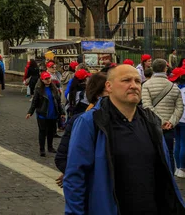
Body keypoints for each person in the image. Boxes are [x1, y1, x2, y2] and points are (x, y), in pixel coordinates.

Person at [63, 64, 185, 214]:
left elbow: (165, 172)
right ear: (109, 86)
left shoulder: (151, 121)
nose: (133, 85)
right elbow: (75, 176)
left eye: (137, 81)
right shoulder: (91, 122)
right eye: (126, 80)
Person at [55, 72, 109, 185]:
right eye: (109, 90)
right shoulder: (81, 120)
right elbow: (62, 158)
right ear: (98, 94)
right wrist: (75, 173)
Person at [141, 58, 184, 171]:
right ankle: (170, 179)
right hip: (169, 127)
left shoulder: (146, 85)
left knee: (152, 153)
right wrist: (171, 122)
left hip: (152, 126)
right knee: (169, 153)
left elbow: (146, 106)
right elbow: (179, 107)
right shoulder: (173, 87)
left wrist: (159, 121)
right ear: (166, 69)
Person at [26, 71, 65, 156]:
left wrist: (62, 112)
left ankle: (50, 147)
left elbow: (58, 102)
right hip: (42, 114)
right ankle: (42, 149)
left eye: (49, 78)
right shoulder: (39, 89)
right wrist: (30, 112)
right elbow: (35, 102)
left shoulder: (54, 88)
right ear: (42, 80)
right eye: (46, 79)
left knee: (51, 132)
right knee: (42, 132)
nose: (48, 80)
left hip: (53, 114)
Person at [171, 67, 185, 178]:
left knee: (178, 143)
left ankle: (177, 168)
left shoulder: (173, 87)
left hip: (175, 119)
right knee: (183, 144)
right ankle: (182, 168)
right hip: (184, 119)